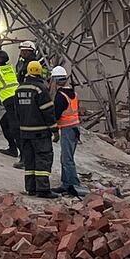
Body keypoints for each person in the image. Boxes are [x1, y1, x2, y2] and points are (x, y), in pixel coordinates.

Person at [15, 61, 59, 199]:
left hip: (25, 132)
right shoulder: (40, 89)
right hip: (40, 132)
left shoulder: (19, 89)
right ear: (40, 72)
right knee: (43, 159)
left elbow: (17, 111)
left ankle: (31, 188)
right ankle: (43, 189)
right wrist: (54, 130)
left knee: (30, 160)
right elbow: (48, 111)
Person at [50, 65, 86, 197]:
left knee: (67, 158)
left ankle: (73, 184)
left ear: (55, 80)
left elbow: (57, 115)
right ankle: (66, 183)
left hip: (67, 129)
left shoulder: (60, 96)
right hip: (74, 128)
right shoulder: (73, 93)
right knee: (66, 157)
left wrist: (52, 127)